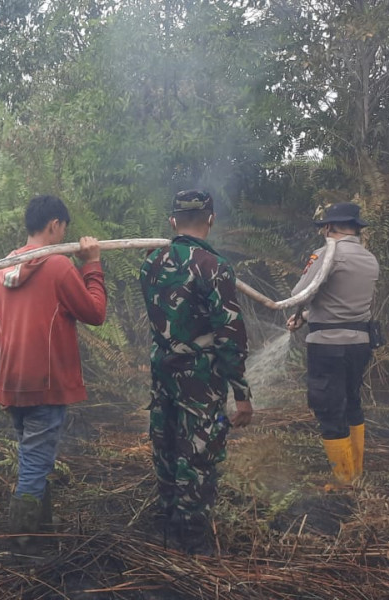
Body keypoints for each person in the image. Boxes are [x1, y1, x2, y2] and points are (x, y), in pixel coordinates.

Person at [139, 190, 253, 555]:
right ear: (211, 218)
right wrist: (242, 394)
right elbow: (230, 335)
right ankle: (192, 539)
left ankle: (166, 524)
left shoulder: (150, 263)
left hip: (163, 374)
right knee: (201, 453)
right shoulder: (214, 266)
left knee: (167, 446)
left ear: (172, 220)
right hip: (202, 380)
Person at [0, 195, 107, 541]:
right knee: (35, 462)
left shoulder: (1, 271)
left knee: (33, 456)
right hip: (45, 380)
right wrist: (93, 265)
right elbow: (95, 313)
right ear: (55, 225)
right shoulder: (56, 267)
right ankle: (22, 542)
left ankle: (40, 526)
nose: (63, 235)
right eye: (63, 229)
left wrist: (0, 383)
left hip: (12, 379)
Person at [285, 202, 378, 485]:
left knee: (329, 408)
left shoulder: (327, 255)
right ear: (356, 228)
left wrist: (301, 311)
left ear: (329, 228)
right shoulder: (368, 258)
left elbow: (299, 293)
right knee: (352, 402)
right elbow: (340, 302)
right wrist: (307, 316)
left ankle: (343, 481)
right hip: (360, 343)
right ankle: (357, 472)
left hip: (328, 346)